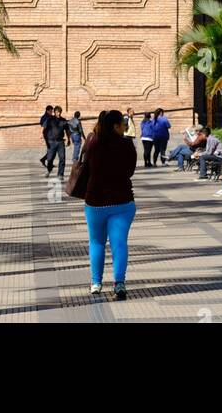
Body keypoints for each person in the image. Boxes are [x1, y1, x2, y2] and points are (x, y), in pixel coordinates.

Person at [83, 108, 137, 300]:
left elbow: (86, 167)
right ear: (115, 126)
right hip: (123, 201)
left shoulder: (92, 142)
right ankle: (119, 283)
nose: (125, 128)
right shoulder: (127, 144)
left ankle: (96, 283)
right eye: (123, 124)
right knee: (119, 243)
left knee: (96, 242)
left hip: (95, 201)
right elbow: (130, 171)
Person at [43, 106, 71, 178]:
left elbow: (67, 131)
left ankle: (60, 174)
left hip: (60, 142)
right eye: (57, 112)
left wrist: (69, 139)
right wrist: (46, 139)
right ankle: (48, 170)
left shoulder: (63, 120)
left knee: (62, 158)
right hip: (51, 142)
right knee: (50, 158)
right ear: (54, 112)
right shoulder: (50, 120)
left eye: (59, 112)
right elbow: (44, 130)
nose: (58, 114)